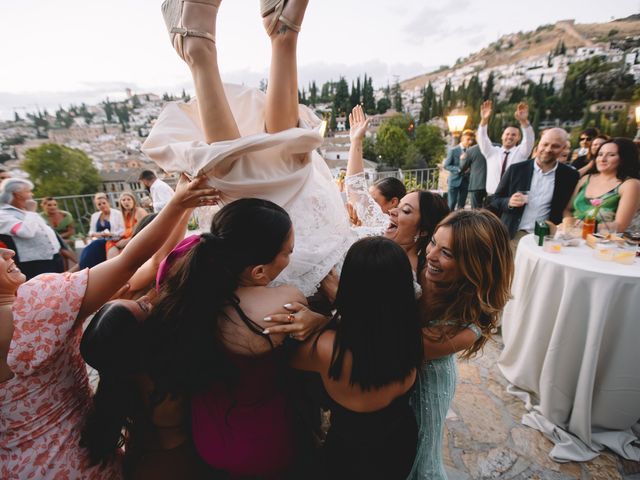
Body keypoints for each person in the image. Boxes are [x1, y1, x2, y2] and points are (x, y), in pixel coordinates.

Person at [0, 176, 218, 480]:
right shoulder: (37, 306)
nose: (9, 253)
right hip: (78, 462)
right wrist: (181, 202)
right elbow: (133, 262)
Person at [142, 0, 352, 296]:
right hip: (310, 249)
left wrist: (178, 204)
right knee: (280, 162)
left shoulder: (217, 282)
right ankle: (273, 37)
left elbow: (150, 267)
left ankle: (268, 38)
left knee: (257, 172)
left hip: (294, 252)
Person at [290, 237, 423, 479]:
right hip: (400, 440)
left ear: (349, 285)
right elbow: (375, 324)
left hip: (350, 453)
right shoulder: (413, 333)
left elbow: (287, 361)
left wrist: (324, 318)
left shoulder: (326, 348)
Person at [408, 209, 514, 480]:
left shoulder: (468, 326)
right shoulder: (422, 267)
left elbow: (402, 344)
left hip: (427, 386)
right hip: (398, 377)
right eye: (433, 242)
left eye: (448, 253)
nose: (430, 255)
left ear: (475, 265)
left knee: (421, 455)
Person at [489, 128, 580, 244]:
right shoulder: (516, 169)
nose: (548, 149)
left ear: (563, 149)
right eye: (545, 144)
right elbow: (495, 200)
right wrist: (509, 202)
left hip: (546, 238)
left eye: (555, 146)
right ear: (538, 144)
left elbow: (568, 208)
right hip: (514, 235)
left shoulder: (570, 176)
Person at [564, 137, 640, 233]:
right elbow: (567, 209)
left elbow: (620, 226)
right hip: (571, 237)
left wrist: (585, 226)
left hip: (603, 243)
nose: (602, 159)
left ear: (624, 158)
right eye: (600, 154)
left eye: (611, 155)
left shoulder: (630, 185)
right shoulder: (585, 178)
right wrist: (569, 222)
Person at [0, 178, 63, 279]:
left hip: (53, 259)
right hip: (35, 264)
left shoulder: (24, 211)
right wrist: (31, 212)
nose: (32, 195)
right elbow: (25, 232)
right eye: (28, 191)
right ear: (18, 194)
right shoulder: (3, 214)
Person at [477, 100, 535, 196]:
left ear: (518, 138)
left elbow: (529, 139)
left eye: (513, 135)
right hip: (492, 196)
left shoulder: (521, 152)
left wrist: (523, 121)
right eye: (507, 134)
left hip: (512, 196)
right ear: (502, 136)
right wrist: (484, 120)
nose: (510, 136)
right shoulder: (491, 152)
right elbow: (482, 137)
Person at [79, 193, 125, 269]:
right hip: (98, 239)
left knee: (94, 246)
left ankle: (87, 268)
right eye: (99, 204)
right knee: (88, 249)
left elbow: (122, 230)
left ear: (108, 203)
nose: (102, 205)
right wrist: (95, 234)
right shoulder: (95, 216)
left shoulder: (117, 214)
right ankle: (86, 268)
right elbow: (90, 232)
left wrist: (111, 234)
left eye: (104, 203)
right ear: (97, 206)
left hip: (111, 239)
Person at [107, 192, 148, 259]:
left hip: (137, 238)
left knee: (112, 244)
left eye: (128, 199)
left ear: (133, 201)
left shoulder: (139, 211)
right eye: (123, 200)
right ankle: (113, 264)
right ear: (121, 203)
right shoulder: (126, 214)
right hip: (128, 237)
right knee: (110, 242)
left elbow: (143, 230)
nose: (126, 202)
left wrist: (127, 241)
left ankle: (115, 264)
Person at [444, 129, 474, 210]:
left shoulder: (471, 151)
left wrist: (470, 170)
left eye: (471, 140)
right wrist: (459, 169)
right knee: (451, 204)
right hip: (454, 181)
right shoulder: (453, 150)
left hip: (465, 181)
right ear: (462, 139)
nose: (470, 142)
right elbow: (446, 165)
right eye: (468, 139)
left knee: (461, 205)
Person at [459, 143, 488, 208]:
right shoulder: (497, 147)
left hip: (476, 184)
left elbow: (463, 167)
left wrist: (462, 159)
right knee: (492, 211)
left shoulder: (471, 150)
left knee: (475, 211)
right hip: (493, 184)